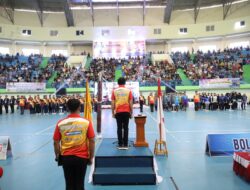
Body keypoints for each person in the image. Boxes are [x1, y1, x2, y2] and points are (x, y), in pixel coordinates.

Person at [53, 98, 95, 190]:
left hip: (66, 158)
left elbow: (56, 142)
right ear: (79, 107)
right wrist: (91, 157)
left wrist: (57, 155)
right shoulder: (86, 122)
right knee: (80, 185)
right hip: (82, 158)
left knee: (69, 185)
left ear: (67, 108)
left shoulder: (61, 123)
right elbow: (92, 140)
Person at [111, 77, 133, 149]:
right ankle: (126, 144)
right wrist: (131, 112)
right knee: (126, 128)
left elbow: (113, 103)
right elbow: (130, 102)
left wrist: (112, 112)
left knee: (119, 128)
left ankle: (120, 144)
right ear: (125, 83)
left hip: (118, 112)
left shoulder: (114, 91)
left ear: (118, 83)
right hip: (126, 111)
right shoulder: (128, 91)